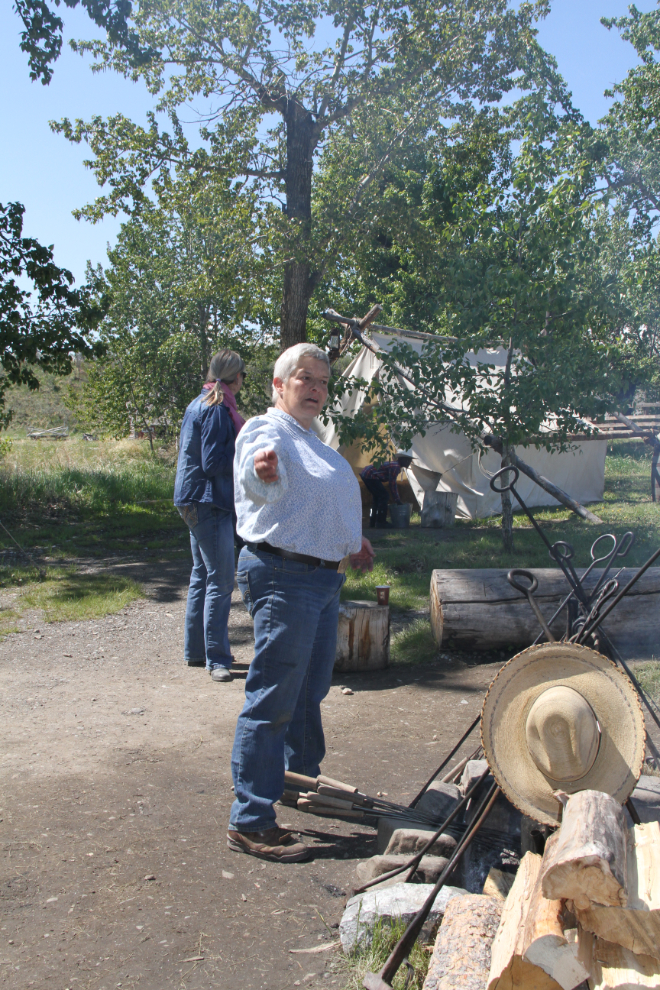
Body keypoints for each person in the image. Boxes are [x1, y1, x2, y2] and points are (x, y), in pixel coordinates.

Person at [227, 342, 375, 862]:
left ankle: (298, 781)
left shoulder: (313, 439)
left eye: (323, 382)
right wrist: (261, 469)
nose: (315, 389)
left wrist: (351, 538)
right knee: (274, 698)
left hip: (320, 579)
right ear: (279, 384)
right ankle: (250, 819)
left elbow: (323, 498)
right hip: (284, 574)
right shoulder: (267, 431)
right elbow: (253, 466)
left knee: (310, 689)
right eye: (304, 379)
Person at [173, 349, 246, 683]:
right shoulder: (218, 409)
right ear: (236, 377)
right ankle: (217, 658)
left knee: (202, 575)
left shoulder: (198, 402)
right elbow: (214, 463)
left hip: (191, 500)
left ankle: (196, 651)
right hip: (209, 501)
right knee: (220, 580)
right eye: (243, 375)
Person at [360, 452, 413, 528]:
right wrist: (397, 499)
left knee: (377, 497)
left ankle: (373, 522)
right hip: (369, 475)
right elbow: (392, 484)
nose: (409, 463)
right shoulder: (396, 467)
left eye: (410, 461)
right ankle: (381, 522)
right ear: (402, 460)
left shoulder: (395, 465)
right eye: (408, 460)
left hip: (366, 474)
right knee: (384, 496)